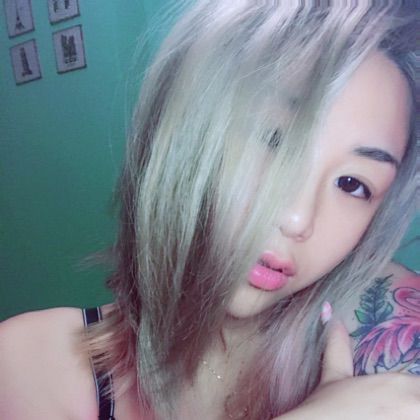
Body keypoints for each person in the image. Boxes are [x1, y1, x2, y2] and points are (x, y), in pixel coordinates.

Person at [1, 1, 419, 419]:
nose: (297, 219)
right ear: (186, 125)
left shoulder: (388, 332)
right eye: (274, 140)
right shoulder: (27, 370)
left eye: (352, 184)